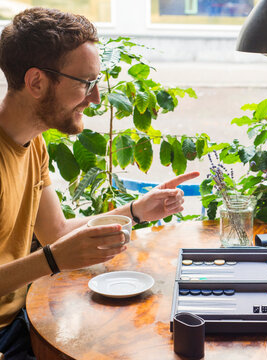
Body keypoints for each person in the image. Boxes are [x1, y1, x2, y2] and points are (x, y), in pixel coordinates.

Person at [0, 8, 199, 359]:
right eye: (85, 83)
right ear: (36, 83)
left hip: (20, 320)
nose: (94, 99)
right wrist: (51, 261)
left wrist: (136, 211)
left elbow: (56, 233)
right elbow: (54, 251)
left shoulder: (35, 145)